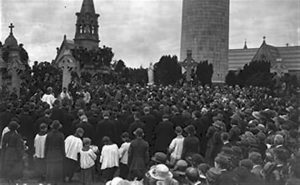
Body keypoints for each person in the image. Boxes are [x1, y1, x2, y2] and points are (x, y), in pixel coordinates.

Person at [45, 120, 65, 185]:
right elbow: (62, 147)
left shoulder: (48, 135)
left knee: (50, 170)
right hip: (58, 155)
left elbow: (46, 146)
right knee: (58, 171)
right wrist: (63, 154)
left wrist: (45, 154)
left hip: (50, 154)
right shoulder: (61, 135)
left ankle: (50, 182)